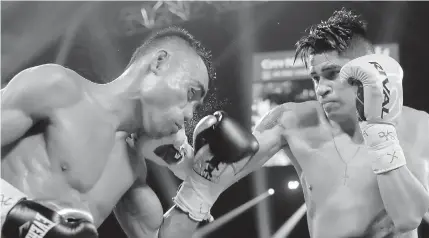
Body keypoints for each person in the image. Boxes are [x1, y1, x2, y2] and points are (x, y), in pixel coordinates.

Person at [1, 26, 258, 238]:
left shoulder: (132, 169)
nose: (190, 114)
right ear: (159, 63)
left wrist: (201, 187)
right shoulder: (58, 90)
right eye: (191, 94)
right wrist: (16, 216)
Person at [237, 8, 429, 237]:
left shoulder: (416, 123)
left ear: (367, 72)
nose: (320, 88)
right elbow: (230, 165)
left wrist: (380, 131)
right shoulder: (290, 122)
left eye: (332, 73)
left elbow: (408, 217)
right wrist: (190, 155)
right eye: (315, 78)